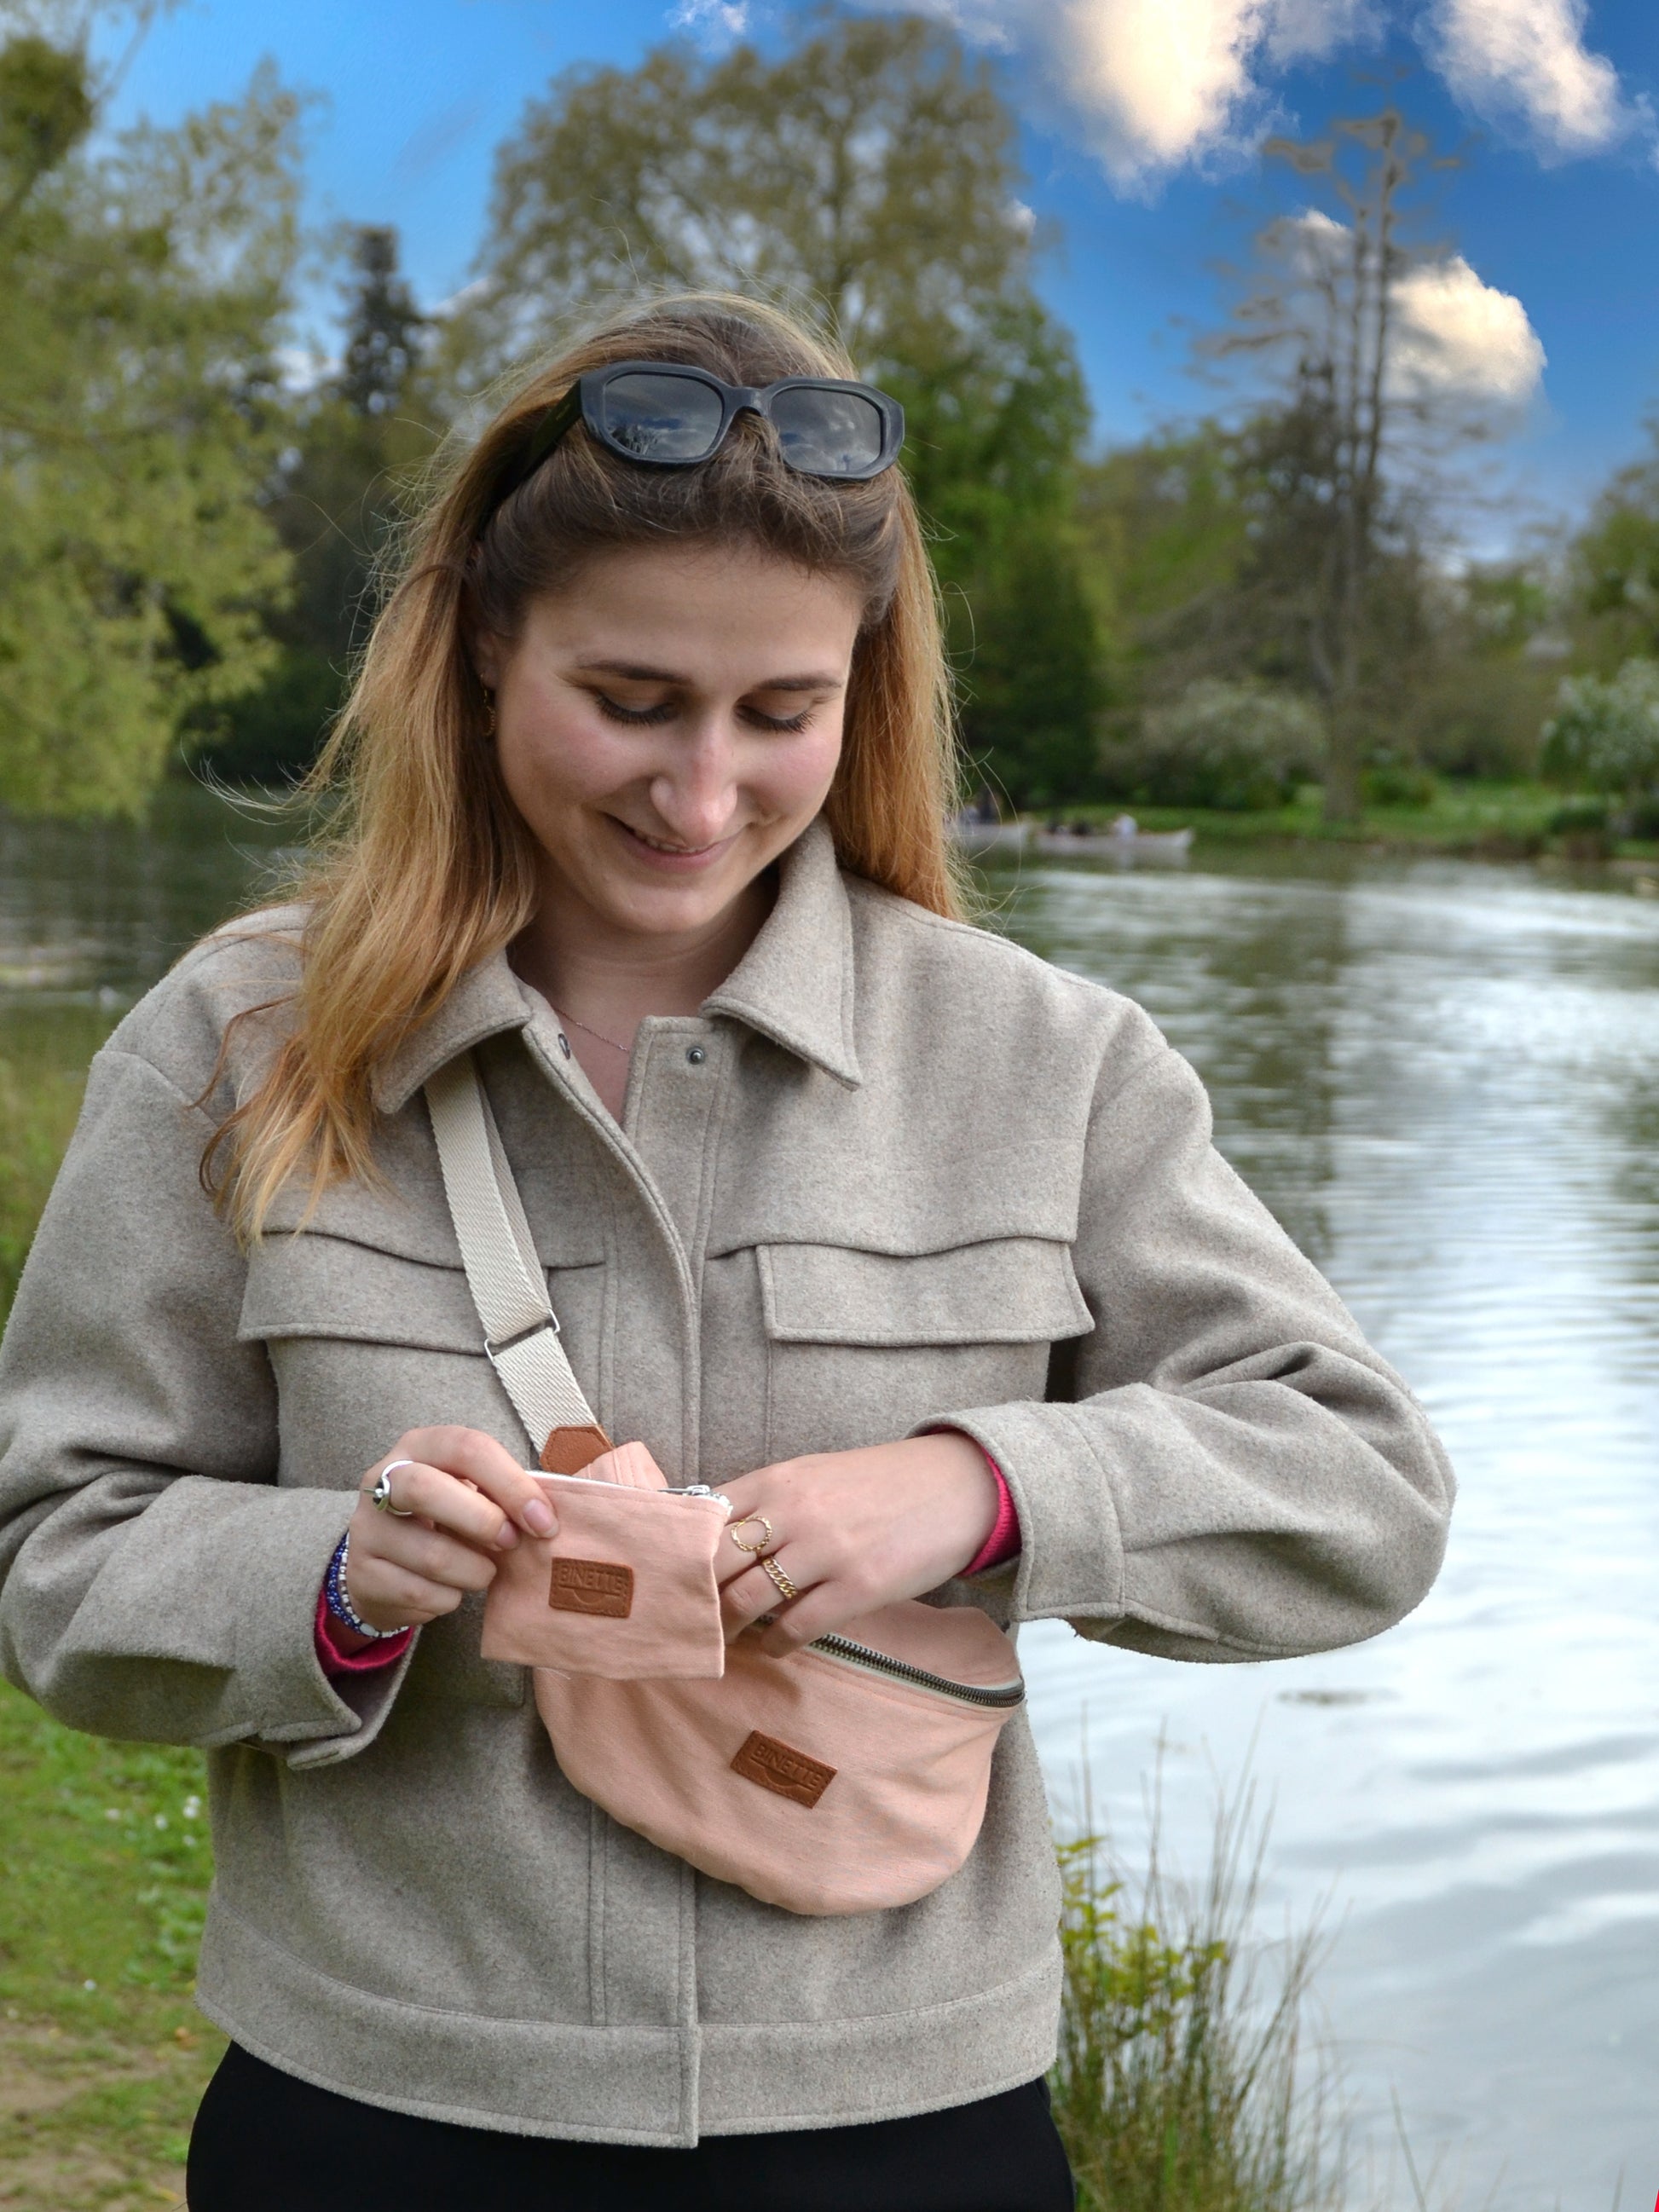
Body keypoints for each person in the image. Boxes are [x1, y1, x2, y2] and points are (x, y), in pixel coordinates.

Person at [0, 294, 1453, 2212]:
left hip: (910, 2137)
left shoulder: (1049, 1059)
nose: (701, 799)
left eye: (782, 715)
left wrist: (979, 1488)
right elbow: (54, 1552)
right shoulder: (228, 1045)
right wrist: (336, 1576)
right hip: (378, 2118)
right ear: (479, 647)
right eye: (630, 700)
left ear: (866, 687)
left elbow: (1359, 1486)